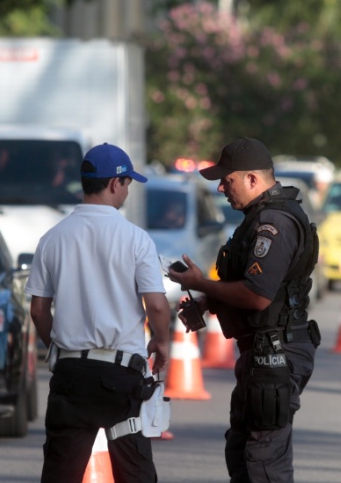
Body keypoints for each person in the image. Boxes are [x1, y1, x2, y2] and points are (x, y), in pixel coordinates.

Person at [168, 137, 320, 483]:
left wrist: (201, 283)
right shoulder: (258, 217)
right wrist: (208, 304)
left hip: (276, 353)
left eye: (228, 179)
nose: (221, 187)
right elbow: (263, 288)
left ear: (253, 179)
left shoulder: (274, 224)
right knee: (242, 452)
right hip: (263, 352)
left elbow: (258, 296)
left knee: (263, 461)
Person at [25, 142, 172, 483]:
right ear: (114, 184)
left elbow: (38, 310)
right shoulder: (136, 239)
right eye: (127, 184)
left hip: (71, 376)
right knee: (135, 473)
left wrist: (60, 347)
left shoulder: (52, 238)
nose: (127, 191)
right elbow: (158, 305)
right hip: (120, 379)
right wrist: (162, 343)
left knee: (60, 473)